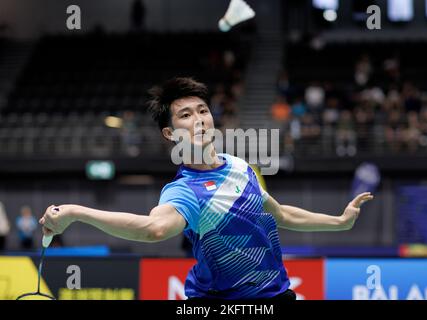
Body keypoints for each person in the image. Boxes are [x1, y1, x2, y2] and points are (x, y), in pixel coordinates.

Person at [39, 77, 374, 300]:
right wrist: (75, 212)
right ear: (170, 134)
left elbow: (281, 212)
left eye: (202, 110)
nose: (198, 118)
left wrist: (339, 221)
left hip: (276, 295)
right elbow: (154, 230)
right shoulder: (184, 191)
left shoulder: (242, 167)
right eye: (185, 115)